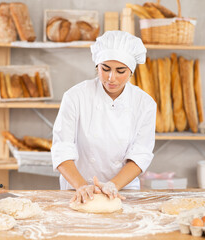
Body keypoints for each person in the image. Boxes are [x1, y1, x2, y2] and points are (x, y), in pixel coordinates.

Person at [51, 31, 156, 204]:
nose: (111, 78)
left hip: (123, 189)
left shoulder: (144, 103)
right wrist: (81, 186)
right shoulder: (76, 96)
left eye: (120, 71)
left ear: (131, 71)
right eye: (105, 69)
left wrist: (113, 185)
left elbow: (140, 154)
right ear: (97, 66)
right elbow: (62, 148)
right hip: (77, 189)